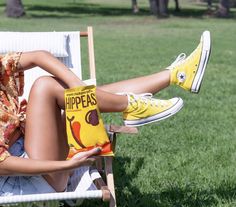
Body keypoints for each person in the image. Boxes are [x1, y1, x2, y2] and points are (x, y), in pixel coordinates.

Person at [0, 31, 211, 196]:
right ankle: (131, 105)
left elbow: (39, 56)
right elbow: (5, 165)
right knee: (45, 86)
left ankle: (177, 75)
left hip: (31, 146)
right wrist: (69, 164)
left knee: (79, 98)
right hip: (35, 177)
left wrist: (78, 86)